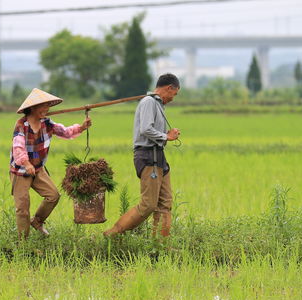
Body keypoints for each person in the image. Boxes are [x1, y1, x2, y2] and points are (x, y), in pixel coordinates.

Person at [104, 73, 181, 237]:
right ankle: (112, 233)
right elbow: (145, 129)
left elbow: (153, 131)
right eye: (174, 94)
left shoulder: (159, 104)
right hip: (148, 156)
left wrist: (165, 134)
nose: (173, 99)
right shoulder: (149, 102)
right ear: (169, 88)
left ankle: (161, 245)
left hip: (159, 156)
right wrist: (166, 136)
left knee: (165, 204)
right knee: (148, 205)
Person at [10, 88, 91, 240]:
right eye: (43, 106)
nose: (46, 109)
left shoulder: (47, 123)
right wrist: (27, 164)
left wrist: (81, 127)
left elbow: (65, 132)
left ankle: (37, 221)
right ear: (33, 107)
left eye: (48, 106)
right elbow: (18, 147)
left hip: (38, 169)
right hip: (21, 171)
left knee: (53, 195)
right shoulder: (21, 125)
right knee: (22, 209)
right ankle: (23, 243)